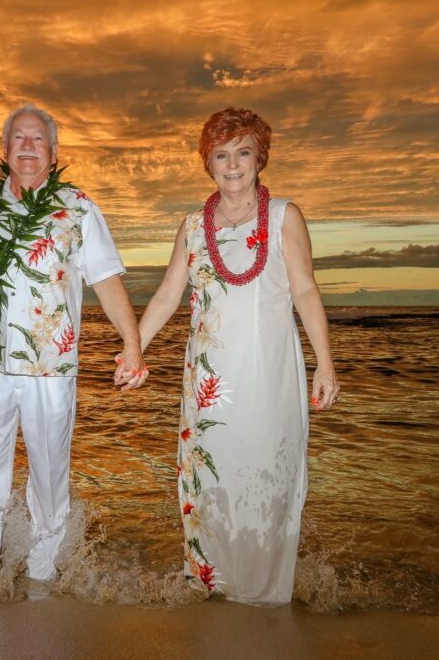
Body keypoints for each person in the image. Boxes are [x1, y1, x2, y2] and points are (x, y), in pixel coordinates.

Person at [0, 104, 147, 581]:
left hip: (52, 366)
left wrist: (132, 344)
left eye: (38, 139)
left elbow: (106, 280)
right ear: (5, 149)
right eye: (19, 138)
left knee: (49, 476)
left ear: (53, 151)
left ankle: (43, 573)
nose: (28, 145)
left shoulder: (79, 207)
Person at [130, 106, 339, 605]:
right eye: (221, 155)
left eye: (242, 153)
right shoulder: (192, 226)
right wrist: (134, 349)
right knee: (211, 477)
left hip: (270, 373)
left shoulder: (286, 216)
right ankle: (213, 586)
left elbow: (306, 291)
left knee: (267, 476)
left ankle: (266, 595)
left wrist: (325, 362)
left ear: (259, 158)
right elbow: (166, 295)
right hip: (210, 382)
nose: (232, 165)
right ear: (208, 162)